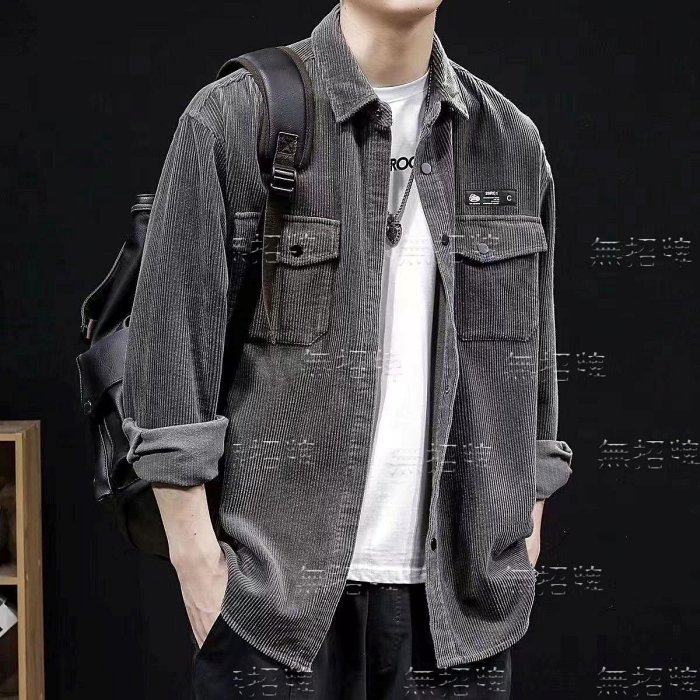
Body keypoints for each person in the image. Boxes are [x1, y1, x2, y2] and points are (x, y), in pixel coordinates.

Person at [121, 1, 574, 698]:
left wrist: (524, 525)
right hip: (276, 614)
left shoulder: (509, 143)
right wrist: (200, 568)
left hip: (459, 618)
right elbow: (170, 352)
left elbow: (532, 370)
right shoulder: (237, 117)